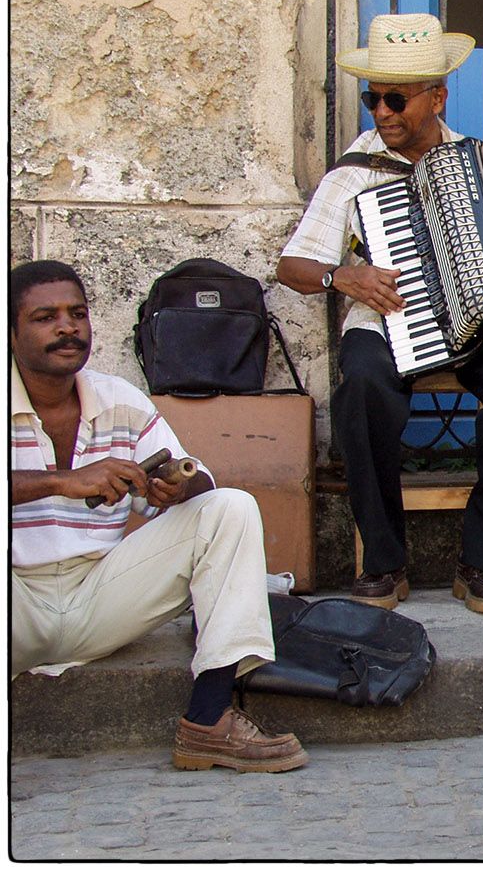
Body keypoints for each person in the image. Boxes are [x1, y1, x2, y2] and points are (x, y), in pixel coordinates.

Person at [277, 13, 483, 613]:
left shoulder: (481, 165)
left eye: (397, 99)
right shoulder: (355, 173)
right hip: (384, 323)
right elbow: (293, 267)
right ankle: (383, 563)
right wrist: (342, 276)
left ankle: (482, 564)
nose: (382, 112)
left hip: (481, 327)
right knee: (362, 388)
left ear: (437, 98)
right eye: (373, 98)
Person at [9, 260, 307, 773]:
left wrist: (178, 487)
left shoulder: (119, 400)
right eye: (45, 317)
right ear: (11, 333)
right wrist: (61, 481)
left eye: (77, 314)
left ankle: (208, 721)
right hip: (16, 602)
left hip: (97, 596)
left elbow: (200, 480)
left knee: (228, 507)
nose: (67, 327)